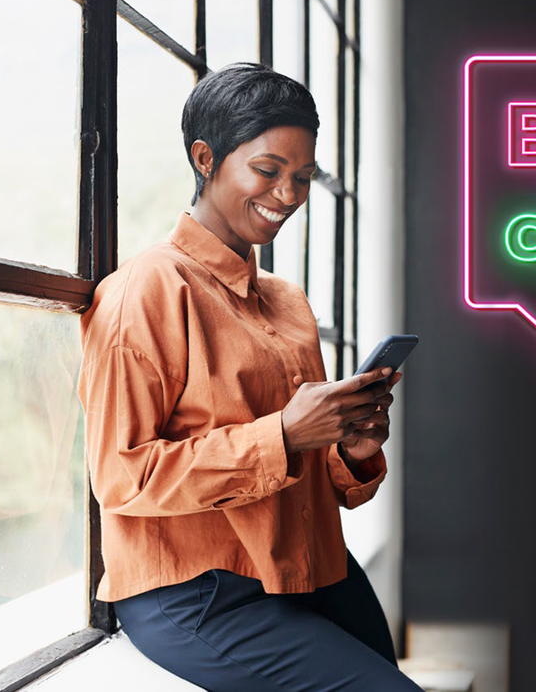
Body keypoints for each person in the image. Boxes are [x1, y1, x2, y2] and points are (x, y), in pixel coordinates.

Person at [76, 62, 423, 692]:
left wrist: (353, 448)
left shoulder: (288, 302)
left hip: (308, 564)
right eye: (267, 171)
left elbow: (322, 480)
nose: (288, 194)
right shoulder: (147, 290)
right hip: (197, 590)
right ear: (205, 158)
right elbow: (121, 477)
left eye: (303, 177)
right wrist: (284, 435)